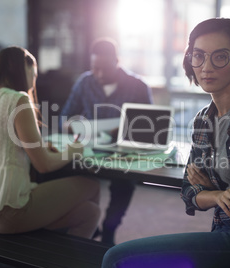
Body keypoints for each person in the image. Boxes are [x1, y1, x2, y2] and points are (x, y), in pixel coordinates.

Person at [101, 18, 230, 268]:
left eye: (220, 57)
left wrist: (208, 188)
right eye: (198, 55)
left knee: (117, 259)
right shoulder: (203, 120)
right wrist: (218, 194)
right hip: (222, 232)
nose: (206, 67)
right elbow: (187, 192)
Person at [0, 46, 100, 239]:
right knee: (92, 185)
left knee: (90, 212)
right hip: (9, 212)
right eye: (34, 74)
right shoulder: (18, 100)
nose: (33, 80)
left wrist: (41, 148)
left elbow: (4, 146)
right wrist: (74, 150)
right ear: (23, 70)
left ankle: (61, 255)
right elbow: (43, 165)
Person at [59, 38, 153, 245]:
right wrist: (74, 125)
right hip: (90, 149)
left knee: (124, 184)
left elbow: (150, 126)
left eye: (105, 69)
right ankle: (87, 225)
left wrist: (124, 129)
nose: (99, 75)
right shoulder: (85, 82)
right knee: (69, 175)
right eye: (95, 68)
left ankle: (109, 228)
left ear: (117, 61)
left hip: (123, 152)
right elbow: (64, 118)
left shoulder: (138, 86)